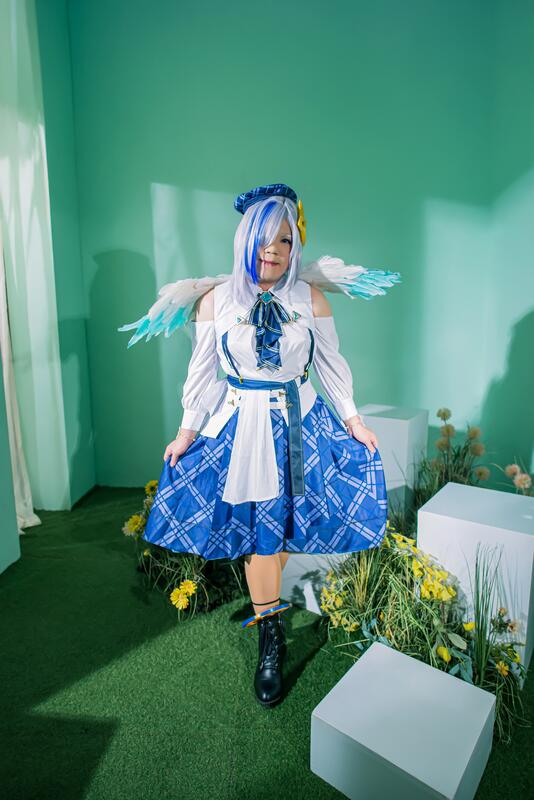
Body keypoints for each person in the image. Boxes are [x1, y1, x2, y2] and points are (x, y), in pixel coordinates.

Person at [118, 183, 401, 708]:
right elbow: (203, 370)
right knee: (264, 542)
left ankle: (264, 604)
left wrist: (354, 420)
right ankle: (271, 634)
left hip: (302, 424)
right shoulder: (215, 300)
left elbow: (331, 365)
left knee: (282, 530)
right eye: (265, 239)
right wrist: (186, 431)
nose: (274, 250)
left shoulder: (310, 298)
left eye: (285, 241)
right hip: (243, 429)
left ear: (295, 246)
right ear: (245, 240)